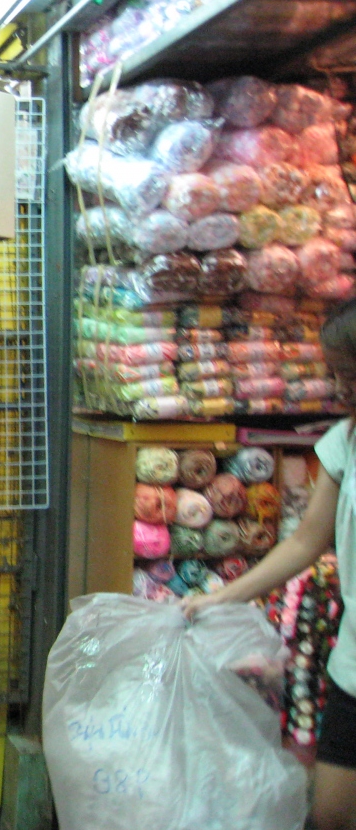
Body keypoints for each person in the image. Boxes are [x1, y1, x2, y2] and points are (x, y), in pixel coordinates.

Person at [184, 298, 356, 830]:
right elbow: (306, 541)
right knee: (330, 814)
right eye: (335, 374)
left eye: (349, 374)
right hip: (353, 665)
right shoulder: (344, 442)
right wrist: (220, 597)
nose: (340, 388)